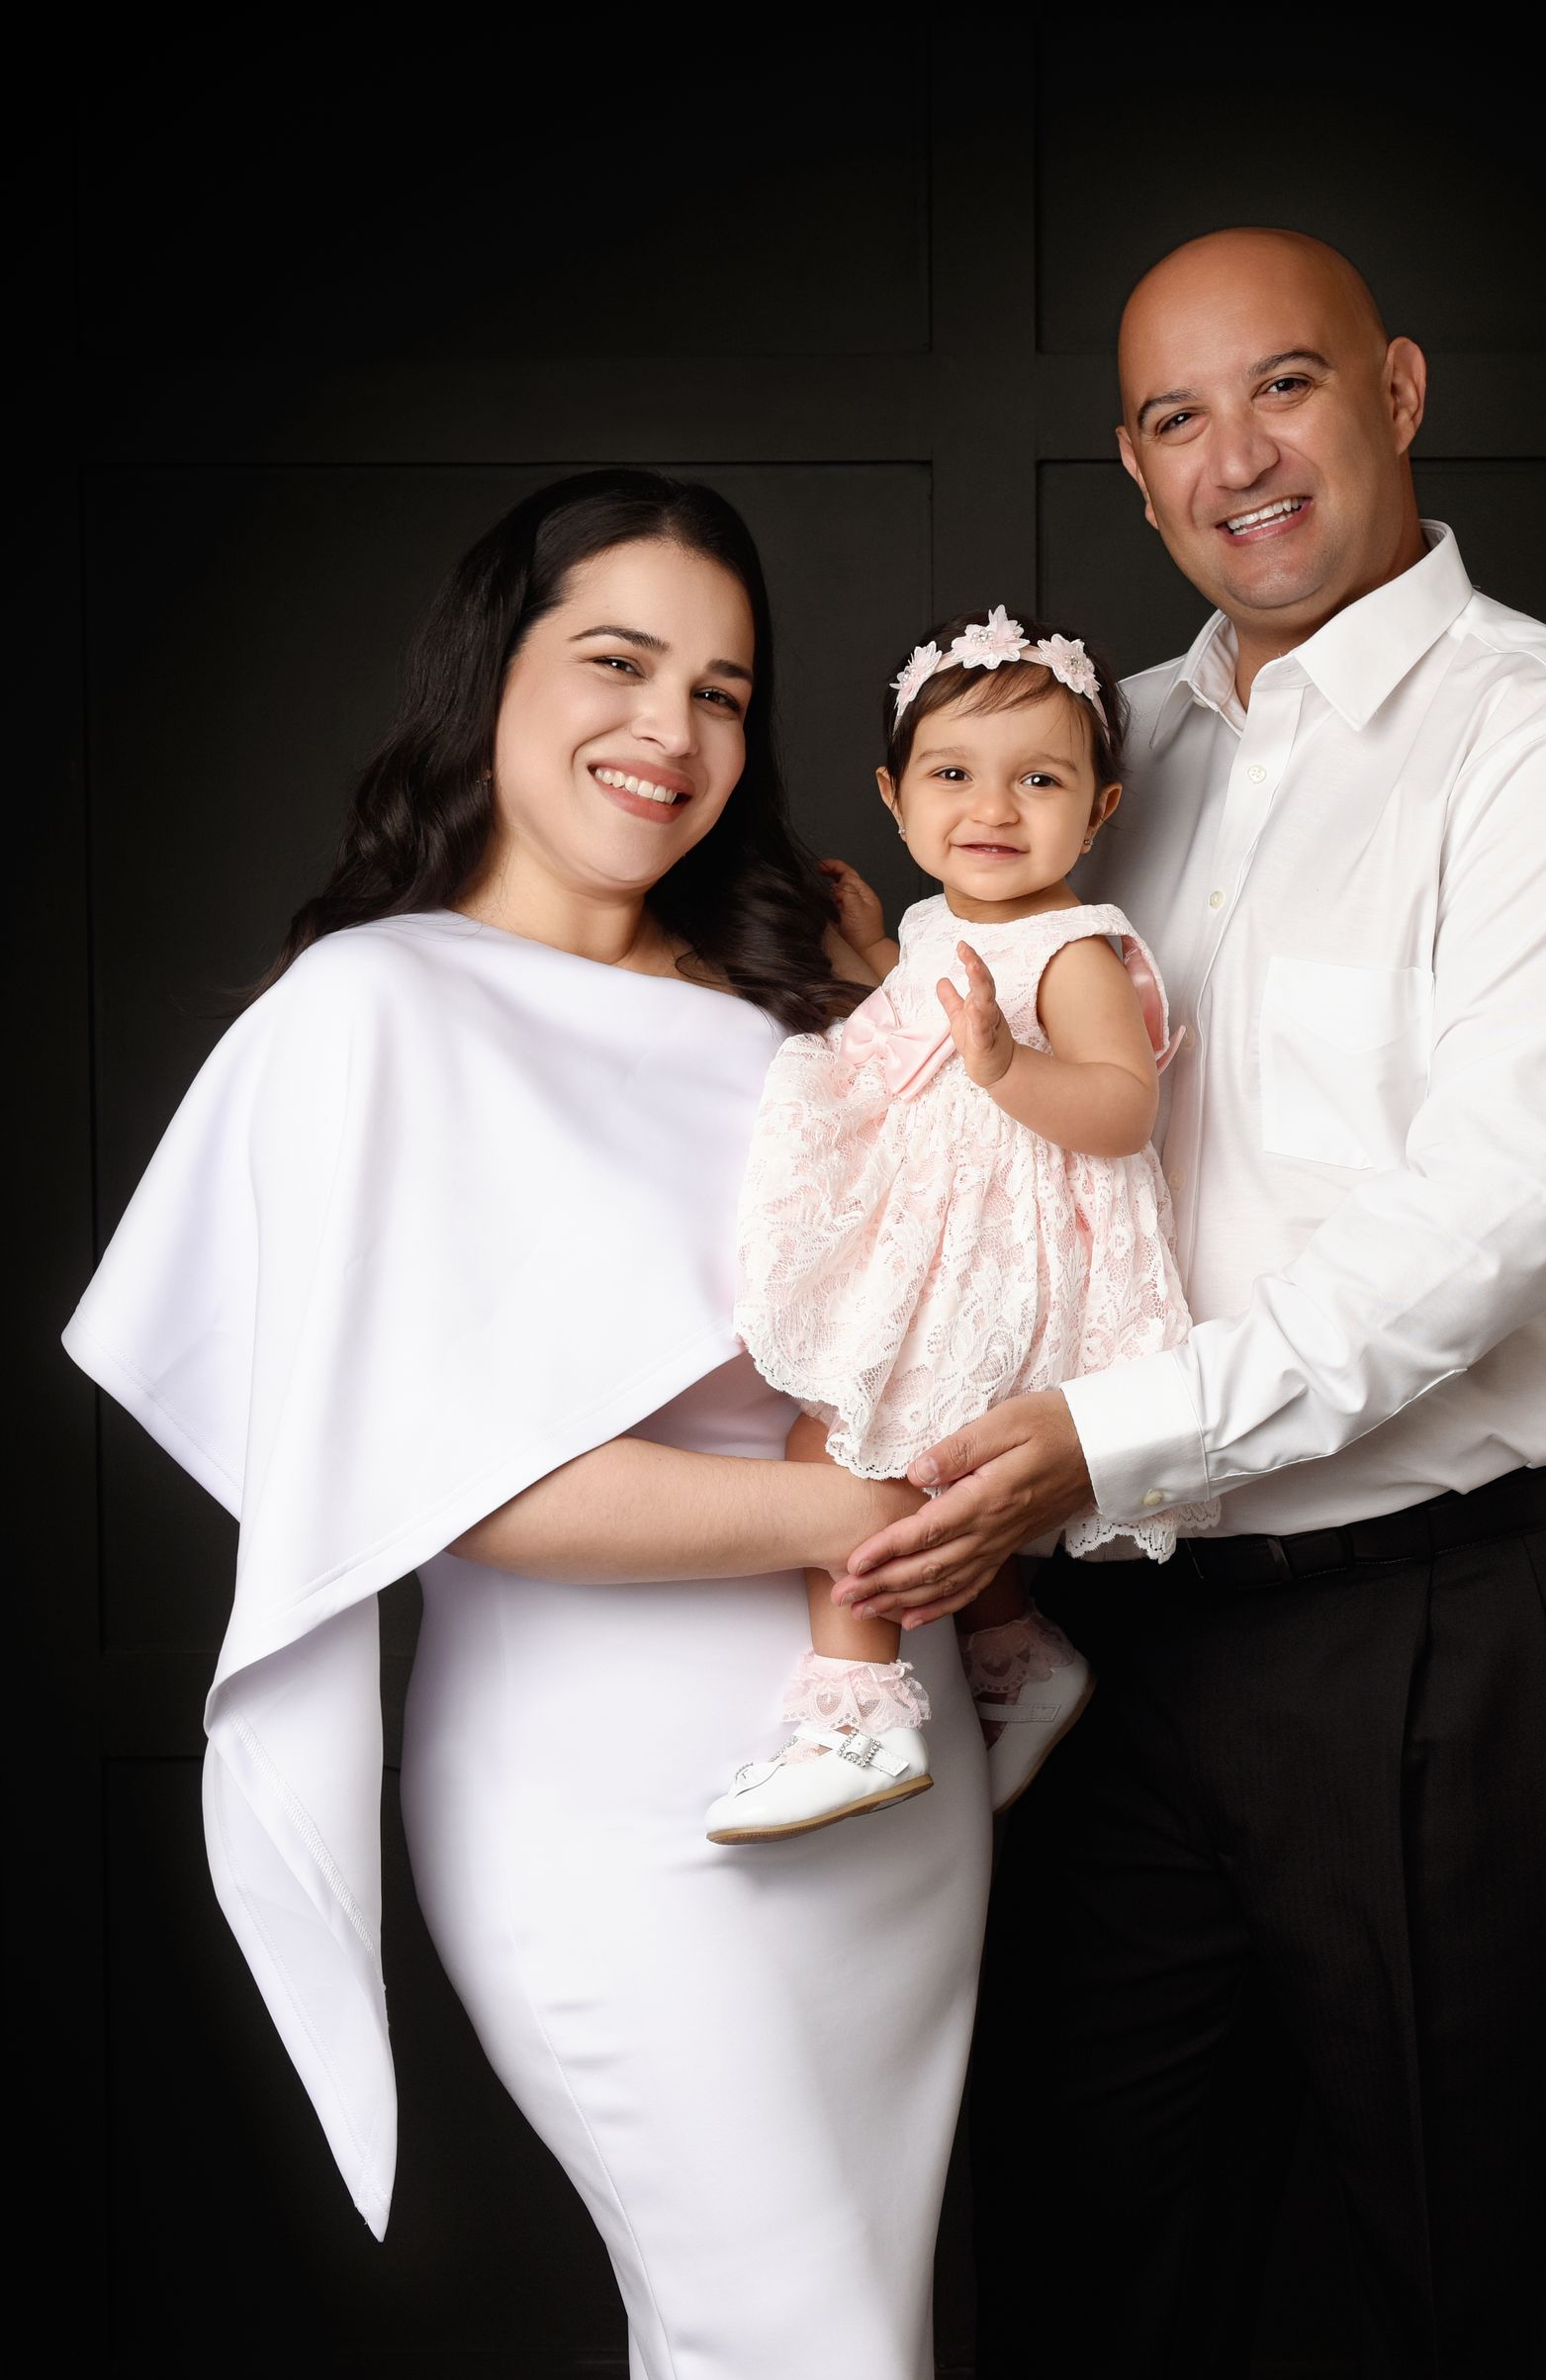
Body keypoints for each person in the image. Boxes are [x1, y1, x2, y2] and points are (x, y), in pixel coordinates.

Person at [840, 229, 1546, 2373]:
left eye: (1288, 387)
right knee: (1083, 2248)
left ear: (1398, 393)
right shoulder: (1082, 763)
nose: (1238, 457)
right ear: (1132, 474)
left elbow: (1497, 1214)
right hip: (1114, 1644)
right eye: (1172, 417)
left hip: (1442, 1633)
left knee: (1461, 2266)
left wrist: (1099, 1438)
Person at [62, 470, 990, 2380]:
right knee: (799, 2341)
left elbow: (949, 1297)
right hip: (611, 1808)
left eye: (724, 691)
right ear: (493, 673)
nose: (671, 729)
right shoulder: (374, 1009)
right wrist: (863, 1508)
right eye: (620, 661)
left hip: (892, 1783)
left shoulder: (789, 1002)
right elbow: (467, 1486)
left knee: (819, 2334)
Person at [711, 604, 1214, 1842]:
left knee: (840, 1447)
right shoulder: (943, 917)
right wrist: (881, 952)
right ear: (893, 797)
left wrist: (1004, 1066)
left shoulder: (1076, 948)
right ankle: (1013, 1654)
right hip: (941, 1230)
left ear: (1097, 811)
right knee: (928, 1460)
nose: (992, 809)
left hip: (1015, 1245)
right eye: (952, 775)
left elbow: (1119, 1111)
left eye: (1038, 779)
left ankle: (856, 1712)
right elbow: (921, 1021)